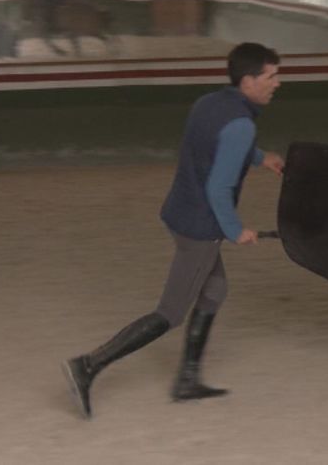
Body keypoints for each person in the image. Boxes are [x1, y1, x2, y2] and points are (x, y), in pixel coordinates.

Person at [62, 42, 285, 420]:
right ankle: (87, 366)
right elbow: (218, 186)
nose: (277, 83)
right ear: (248, 81)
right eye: (271, 76)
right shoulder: (242, 124)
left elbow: (216, 146)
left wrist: (262, 158)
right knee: (170, 312)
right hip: (201, 228)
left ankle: (187, 379)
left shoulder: (210, 104)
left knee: (215, 291)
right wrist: (234, 230)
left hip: (180, 210)